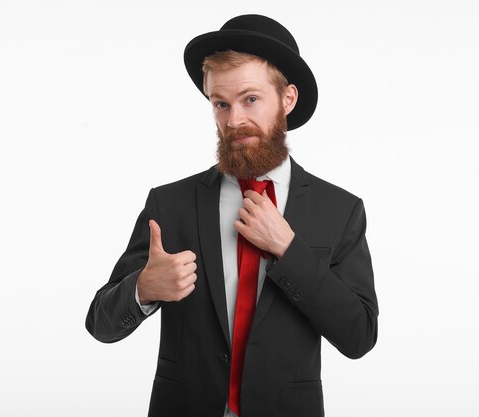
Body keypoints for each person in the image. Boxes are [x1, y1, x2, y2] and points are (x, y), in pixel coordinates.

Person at [85, 14, 379, 417]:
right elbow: (100, 323)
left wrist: (287, 248)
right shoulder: (169, 204)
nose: (233, 119)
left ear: (287, 100)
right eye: (220, 104)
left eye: (250, 99)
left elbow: (359, 335)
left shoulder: (341, 210)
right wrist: (144, 288)